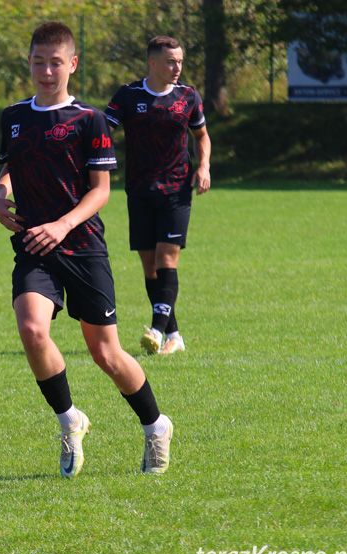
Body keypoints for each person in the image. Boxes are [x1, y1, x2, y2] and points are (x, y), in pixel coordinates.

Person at [0, 21, 173, 478]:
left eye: (55, 63)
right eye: (38, 62)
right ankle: (69, 420)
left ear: (71, 64)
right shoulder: (14, 116)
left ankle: (155, 426)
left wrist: (62, 224)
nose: (46, 71)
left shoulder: (88, 119)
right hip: (33, 244)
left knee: (105, 353)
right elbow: (12, 166)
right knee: (32, 329)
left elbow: (100, 191)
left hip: (84, 247)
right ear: (28, 63)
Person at [105, 35, 212, 355]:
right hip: (138, 190)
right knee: (150, 267)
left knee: (167, 258)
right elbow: (101, 131)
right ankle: (174, 336)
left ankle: (156, 328)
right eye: (170, 61)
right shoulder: (128, 95)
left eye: (180, 61)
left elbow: (202, 136)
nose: (177, 67)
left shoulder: (188, 96)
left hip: (177, 189)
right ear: (152, 63)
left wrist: (204, 165)